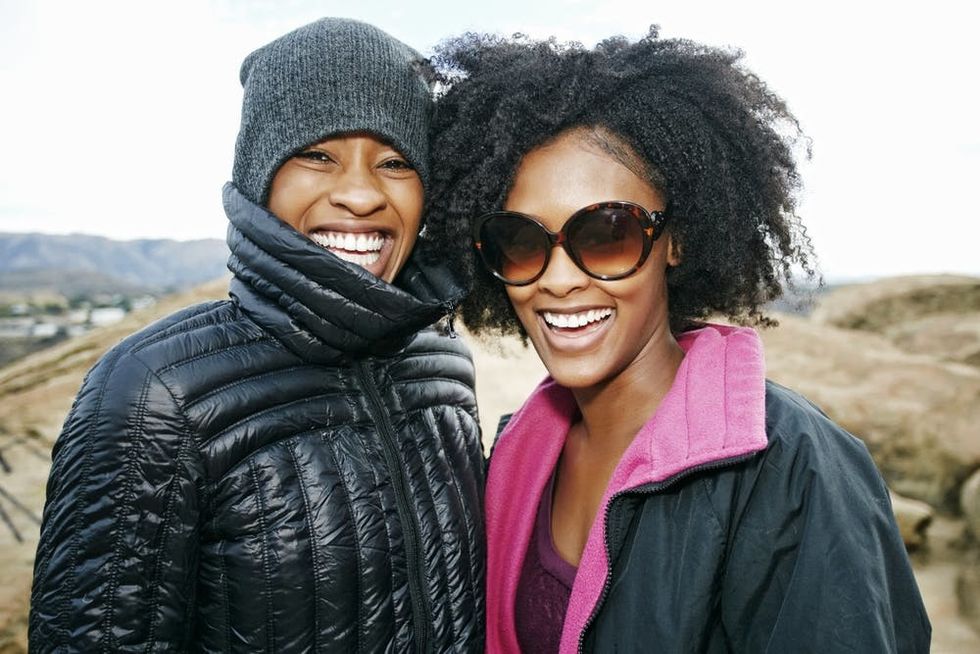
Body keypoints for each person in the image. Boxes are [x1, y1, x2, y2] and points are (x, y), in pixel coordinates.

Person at [426, 30, 930, 653]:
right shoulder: (513, 459)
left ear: (676, 240)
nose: (558, 280)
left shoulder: (794, 469)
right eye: (522, 241)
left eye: (607, 232)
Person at [29, 18, 485, 652]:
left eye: (395, 161)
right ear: (259, 176)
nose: (359, 193)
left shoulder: (443, 365)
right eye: (317, 154)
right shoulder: (151, 394)